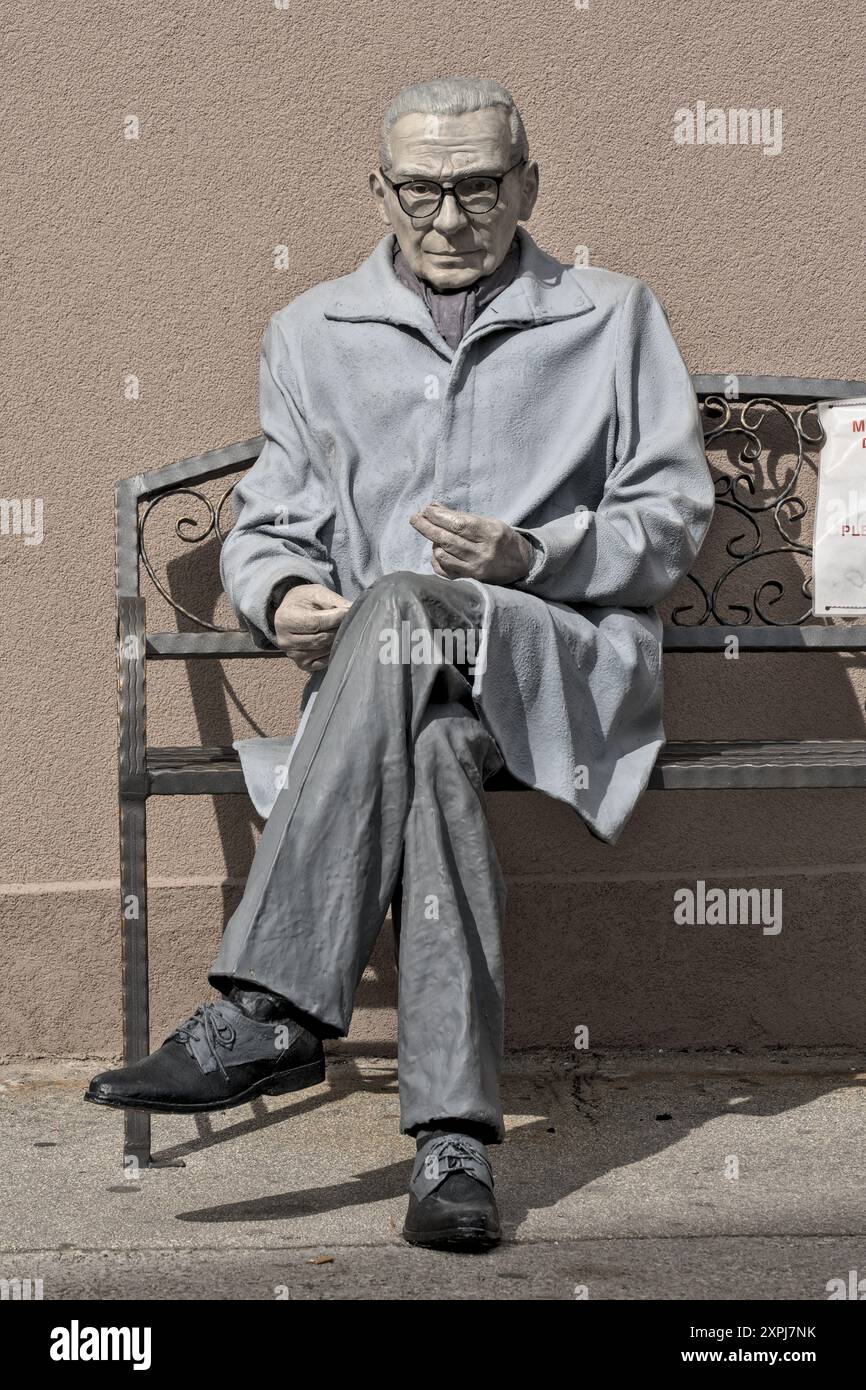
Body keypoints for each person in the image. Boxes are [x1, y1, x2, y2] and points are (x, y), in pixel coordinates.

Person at [87, 77, 716, 1252]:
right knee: (424, 743)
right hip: (393, 700)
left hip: (554, 665)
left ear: (528, 182)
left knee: (412, 605)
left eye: (477, 183)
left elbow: (670, 520)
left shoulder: (612, 315)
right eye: (420, 187)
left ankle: (271, 1004)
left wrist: (533, 552)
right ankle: (451, 1147)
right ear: (376, 189)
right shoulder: (310, 332)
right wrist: (283, 597)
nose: (447, 214)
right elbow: (268, 526)